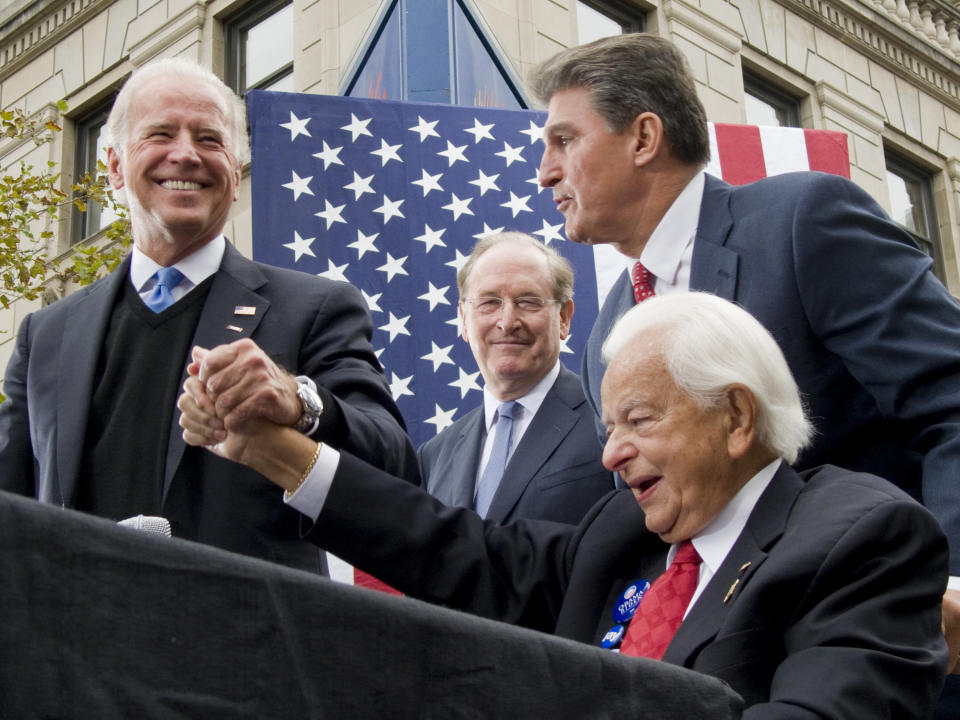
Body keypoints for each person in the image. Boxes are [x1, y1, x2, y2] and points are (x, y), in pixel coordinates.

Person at [178, 291, 948, 717]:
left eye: (639, 422)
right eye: (609, 428)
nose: (611, 454)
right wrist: (272, 452)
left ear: (737, 417)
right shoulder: (620, 536)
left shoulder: (859, 539)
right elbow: (456, 548)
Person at [532, 34, 960, 701]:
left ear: (643, 137)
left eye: (564, 141)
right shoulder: (604, 340)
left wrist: (949, 581)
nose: (545, 172)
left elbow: (951, 396)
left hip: (878, 661)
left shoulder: (803, 222)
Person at [0, 57, 417, 573]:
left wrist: (300, 403)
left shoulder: (316, 307)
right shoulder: (46, 335)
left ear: (236, 176)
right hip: (77, 638)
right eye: (160, 134)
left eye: (209, 139)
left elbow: (395, 466)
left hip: (248, 640)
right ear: (113, 167)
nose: (185, 155)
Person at [418, 232, 612, 524]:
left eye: (528, 302)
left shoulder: (608, 420)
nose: (507, 322)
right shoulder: (435, 455)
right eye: (489, 302)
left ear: (564, 318)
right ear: (463, 320)